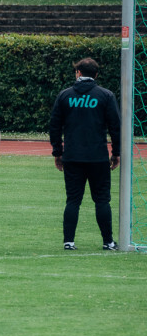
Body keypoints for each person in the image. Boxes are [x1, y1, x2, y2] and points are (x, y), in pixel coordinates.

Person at [48, 57, 121, 250]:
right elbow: (115, 127)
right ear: (96, 75)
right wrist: (116, 152)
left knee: (73, 200)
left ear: (78, 73)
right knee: (102, 200)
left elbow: (54, 126)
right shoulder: (105, 95)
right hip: (98, 156)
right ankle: (108, 242)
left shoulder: (65, 95)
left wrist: (57, 152)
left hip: (72, 156)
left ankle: (69, 242)